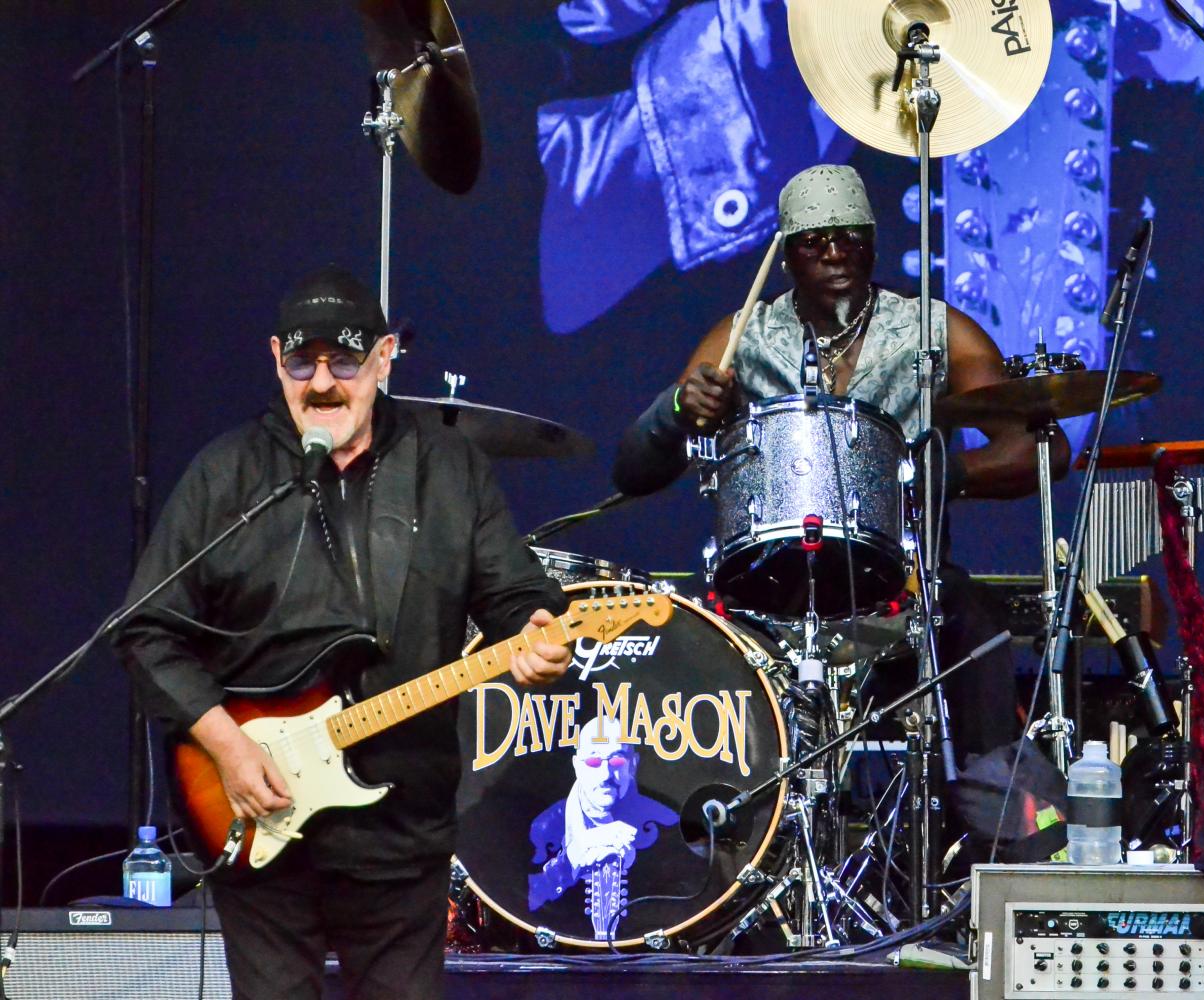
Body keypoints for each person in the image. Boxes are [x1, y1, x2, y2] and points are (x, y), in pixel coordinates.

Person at [112, 265, 572, 1000]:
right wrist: (228, 746)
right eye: (302, 361)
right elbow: (144, 629)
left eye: (345, 360)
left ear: (385, 359)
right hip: (255, 822)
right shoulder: (227, 474)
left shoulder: (446, 468)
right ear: (275, 358)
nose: (321, 382)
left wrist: (535, 632)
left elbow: (514, 593)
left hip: (401, 833)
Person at [611, 163, 1069, 759]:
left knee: (973, 620)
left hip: (904, 581)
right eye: (814, 241)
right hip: (770, 582)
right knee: (706, 639)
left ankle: (991, 816)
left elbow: (1041, 445)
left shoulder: (930, 331)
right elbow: (633, 472)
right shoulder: (745, 334)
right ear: (786, 257)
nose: (836, 253)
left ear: (873, 246)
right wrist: (676, 408)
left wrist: (945, 476)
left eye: (852, 237)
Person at [527, 715, 678, 922]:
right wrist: (570, 859)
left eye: (617, 760)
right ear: (577, 766)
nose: (606, 774)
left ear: (632, 765)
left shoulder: (666, 825)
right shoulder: (542, 830)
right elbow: (522, 902)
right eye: (593, 761)